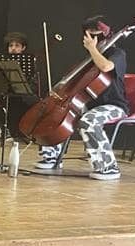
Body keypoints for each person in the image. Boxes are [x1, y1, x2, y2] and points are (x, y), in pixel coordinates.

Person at [34, 16, 127, 180]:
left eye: (95, 34)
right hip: (89, 104)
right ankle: (51, 157)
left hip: (114, 105)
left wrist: (93, 50)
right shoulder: (89, 59)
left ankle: (108, 166)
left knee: (88, 120)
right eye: (87, 34)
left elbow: (105, 66)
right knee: (55, 114)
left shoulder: (117, 54)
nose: (90, 38)